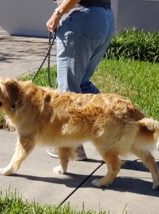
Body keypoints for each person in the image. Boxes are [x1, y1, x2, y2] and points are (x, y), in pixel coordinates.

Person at [46, 0, 115, 160]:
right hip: (103, 17)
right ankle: (117, 127)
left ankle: (72, 146)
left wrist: (58, 12)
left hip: (81, 18)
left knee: (68, 89)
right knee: (82, 83)